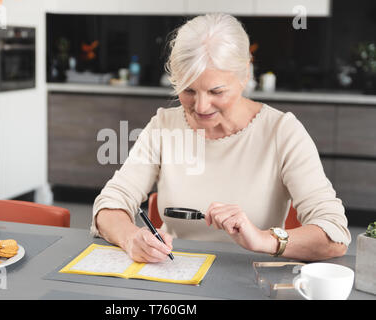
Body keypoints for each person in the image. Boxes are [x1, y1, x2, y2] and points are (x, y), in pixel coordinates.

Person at [91, 13, 351, 263]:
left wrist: (264, 240)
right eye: (189, 90)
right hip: (177, 277)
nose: (201, 106)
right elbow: (110, 203)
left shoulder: (282, 132)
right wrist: (131, 238)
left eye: (216, 91)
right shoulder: (164, 126)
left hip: (252, 282)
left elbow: (335, 234)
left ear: (245, 75)